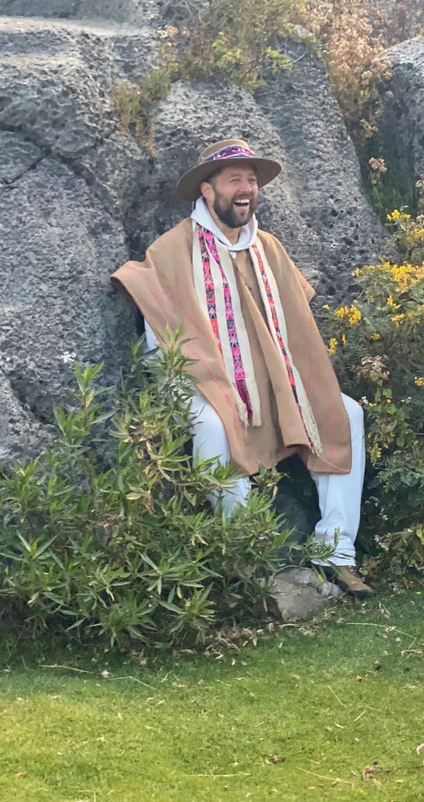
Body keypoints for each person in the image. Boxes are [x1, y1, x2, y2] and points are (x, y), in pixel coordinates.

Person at [112, 138, 373, 597]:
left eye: (252, 179)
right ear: (207, 190)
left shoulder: (268, 249)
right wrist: (195, 385)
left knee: (345, 414)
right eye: (235, 179)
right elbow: (160, 329)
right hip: (204, 383)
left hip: (273, 382)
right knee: (213, 426)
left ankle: (336, 552)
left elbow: (295, 323)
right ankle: (246, 554)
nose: (246, 188)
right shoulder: (174, 251)